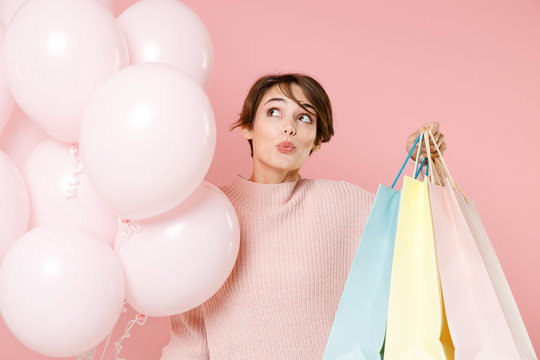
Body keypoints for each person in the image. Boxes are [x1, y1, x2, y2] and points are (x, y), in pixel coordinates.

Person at [160, 73, 446, 359]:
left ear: (318, 141)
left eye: (304, 118)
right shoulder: (208, 217)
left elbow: (426, 238)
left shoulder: (341, 203)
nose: (289, 128)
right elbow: (190, 339)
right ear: (248, 127)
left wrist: (428, 164)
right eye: (274, 112)